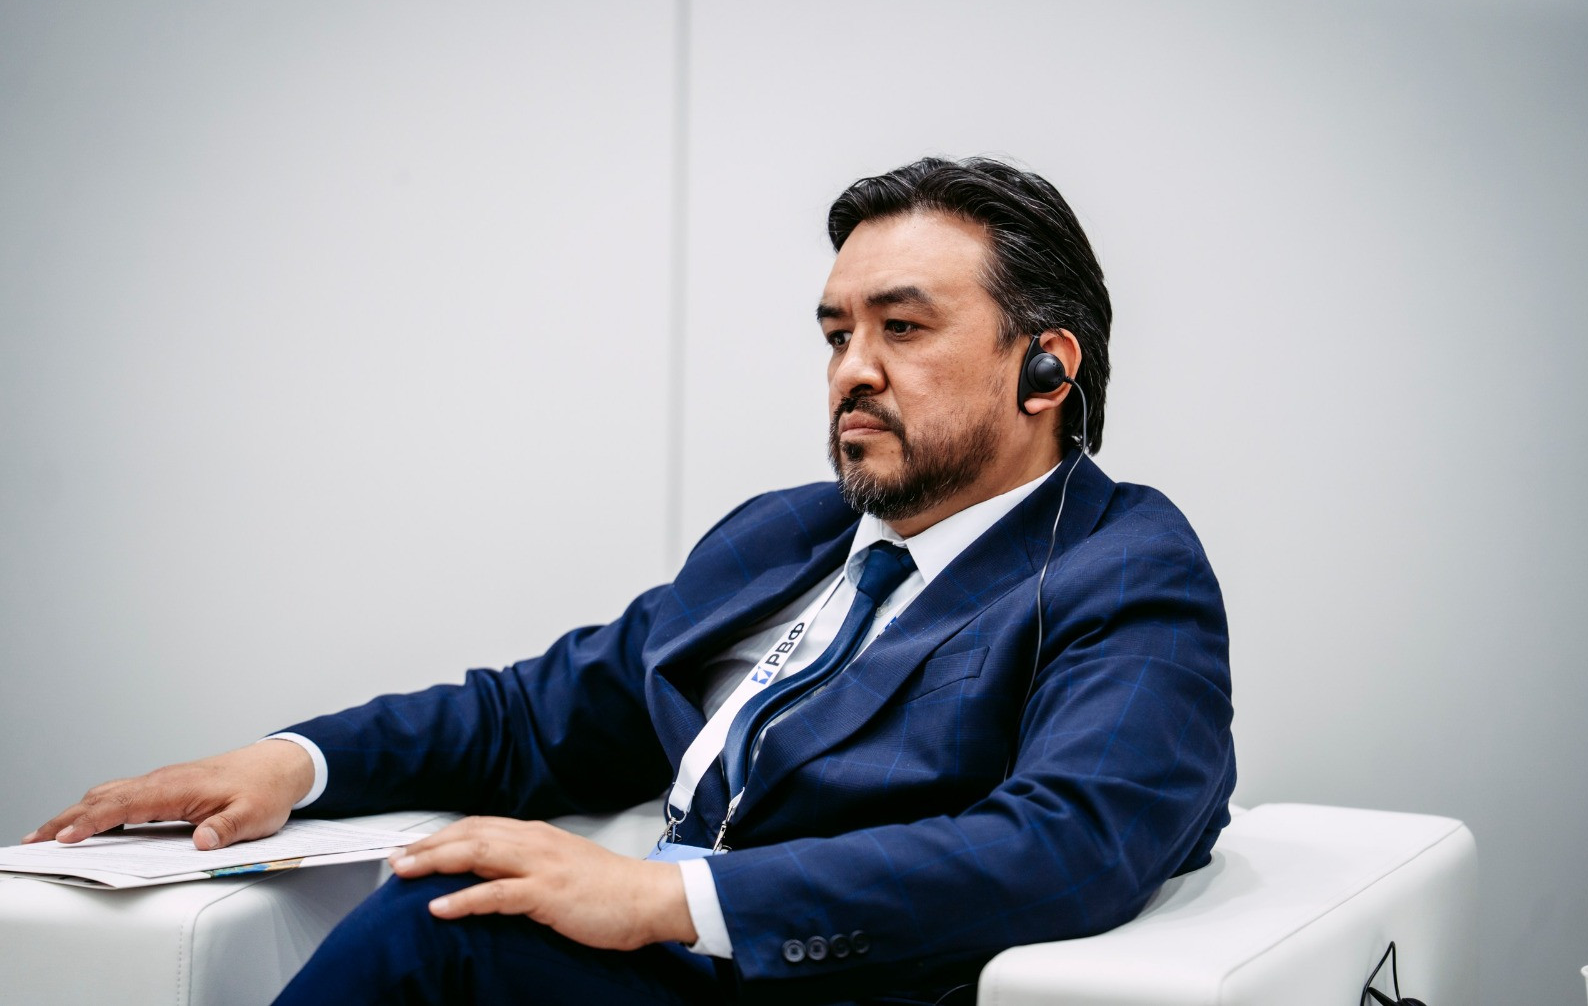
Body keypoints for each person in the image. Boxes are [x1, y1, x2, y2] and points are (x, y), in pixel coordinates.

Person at [26, 157, 1235, 1006]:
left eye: (902, 329)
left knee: (446, 929)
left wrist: (668, 899)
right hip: (662, 973)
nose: (850, 371)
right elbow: (536, 715)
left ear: (1044, 368)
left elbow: (1072, 842)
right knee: (454, 898)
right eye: (835, 334)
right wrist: (291, 763)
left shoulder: (1123, 564)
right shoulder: (789, 535)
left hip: (826, 982)